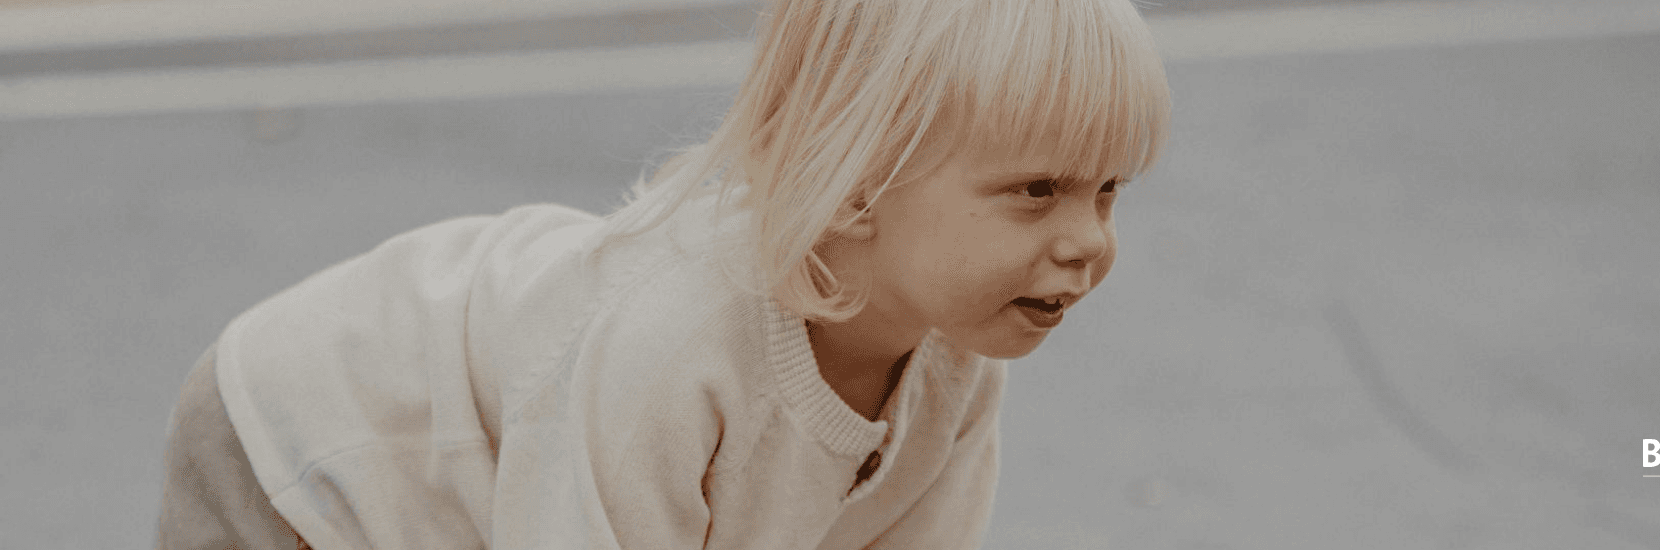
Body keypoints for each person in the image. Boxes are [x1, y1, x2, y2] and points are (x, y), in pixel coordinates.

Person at [154, 0, 1170, 547]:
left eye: (1109, 190)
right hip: (309, 457)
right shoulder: (669, 345)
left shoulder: (958, 361)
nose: (1089, 239)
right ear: (861, 180)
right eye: (1038, 190)